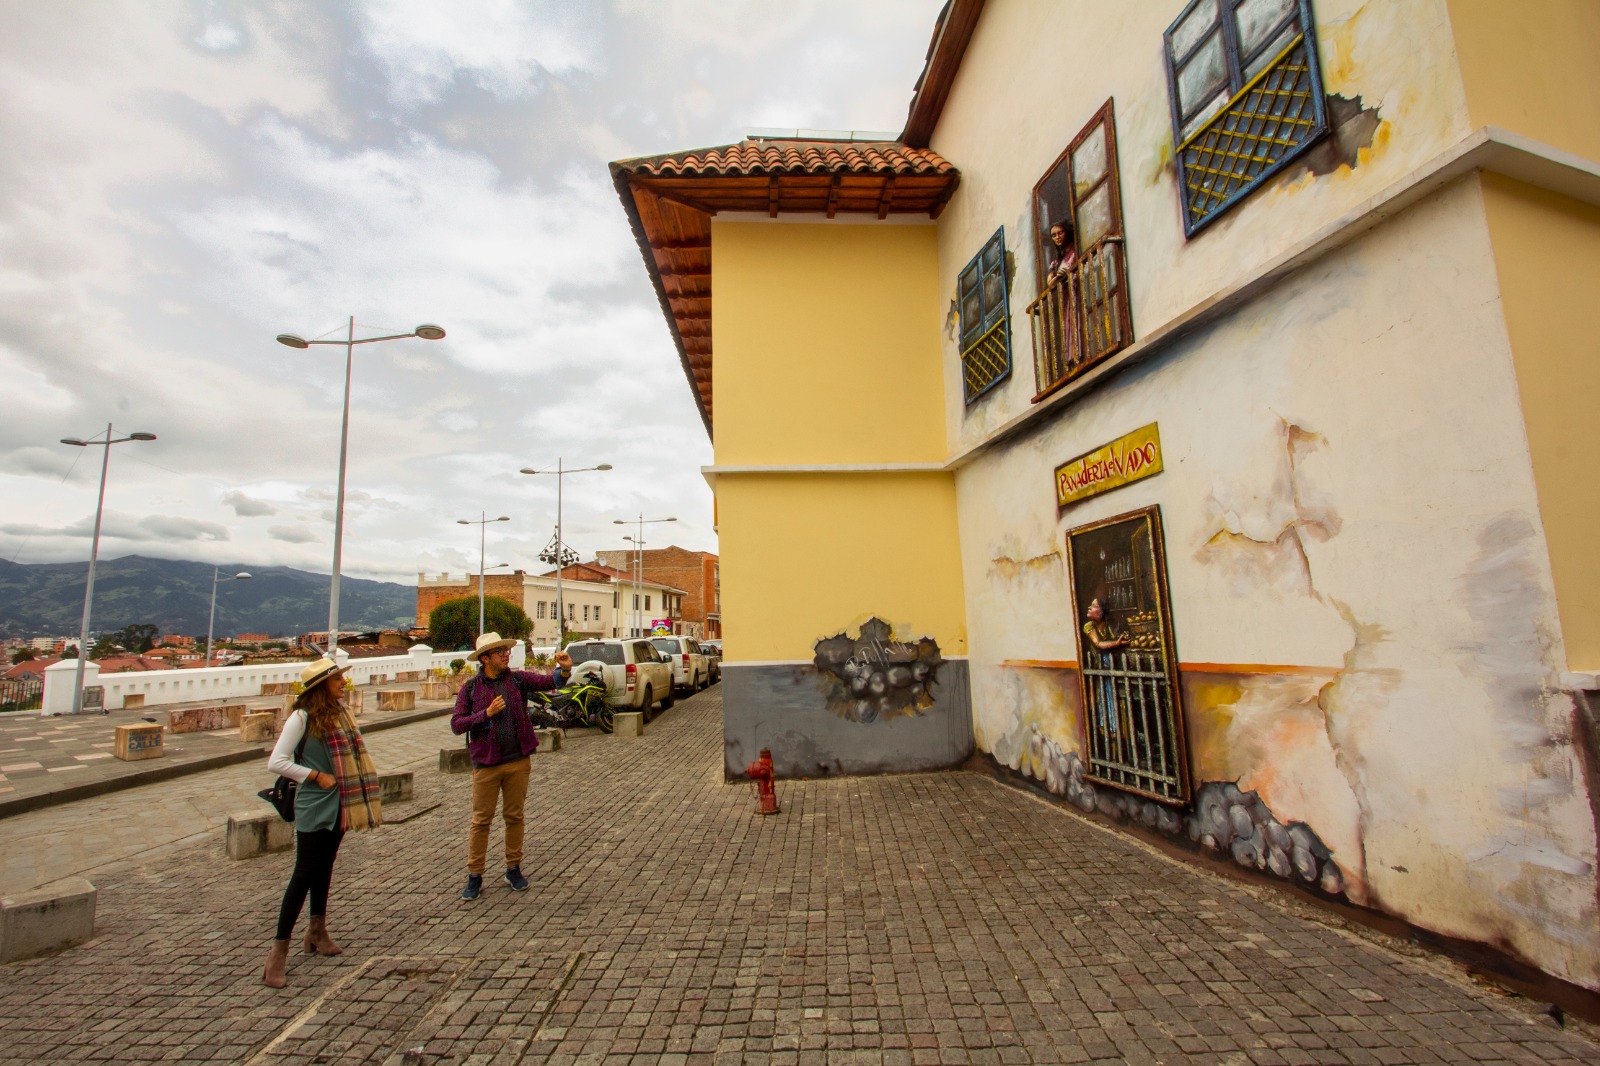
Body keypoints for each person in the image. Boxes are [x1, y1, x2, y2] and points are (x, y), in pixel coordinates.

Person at [262, 656, 382, 988]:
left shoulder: (341, 715)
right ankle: (278, 953)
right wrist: (314, 775)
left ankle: (317, 930)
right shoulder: (301, 718)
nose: (343, 683)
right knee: (303, 874)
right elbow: (278, 761)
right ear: (320, 688)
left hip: (341, 802)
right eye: (336, 680)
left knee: (325, 868)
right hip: (315, 802)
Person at [451, 632, 572, 900]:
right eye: (500, 652)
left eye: (507, 650)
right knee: (481, 820)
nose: (507, 655)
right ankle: (475, 874)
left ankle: (513, 867)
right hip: (486, 764)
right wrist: (486, 714)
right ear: (485, 658)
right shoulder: (470, 688)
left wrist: (564, 670)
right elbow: (457, 725)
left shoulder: (517, 679)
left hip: (517, 760)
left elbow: (547, 682)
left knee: (514, 816)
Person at [1082, 598, 1126, 743]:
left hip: (1112, 670)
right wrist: (1117, 643)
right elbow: (1098, 644)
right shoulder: (1089, 626)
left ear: (1102, 612)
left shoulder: (1109, 626)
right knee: (1104, 704)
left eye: (1094, 606)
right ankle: (1108, 736)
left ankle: (1117, 737)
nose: (1089, 608)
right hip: (1100, 671)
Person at [1046, 219, 1077, 283]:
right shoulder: (1056, 262)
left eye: (1060, 233)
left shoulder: (1076, 250)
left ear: (1067, 232)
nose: (1057, 237)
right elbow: (1049, 283)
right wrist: (1058, 277)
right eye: (1054, 235)